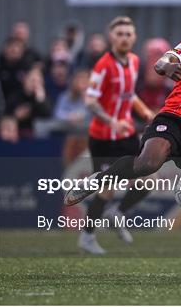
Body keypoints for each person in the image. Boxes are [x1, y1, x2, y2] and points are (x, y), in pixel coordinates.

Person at [64, 10, 181, 283]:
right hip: (172, 119)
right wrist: (166, 65)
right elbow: (166, 61)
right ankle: (98, 180)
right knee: (147, 164)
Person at [73, 16, 155, 255]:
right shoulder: (103, 65)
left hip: (127, 134)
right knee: (106, 189)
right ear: (111, 37)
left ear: (135, 37)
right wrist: (111, 121)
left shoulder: (134, 61)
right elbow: (90, 101)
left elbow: (129, 94)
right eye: (119, 34)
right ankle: (87, 237)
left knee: (149, 179)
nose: (124, 38)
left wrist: (145, 112)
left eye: (128, 33)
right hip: (104, 139)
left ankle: (117, 213)